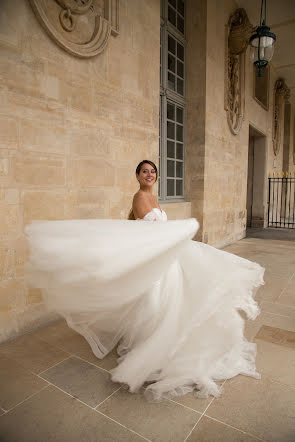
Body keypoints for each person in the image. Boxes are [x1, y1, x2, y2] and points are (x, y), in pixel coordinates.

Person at [25, 160, 264, 401]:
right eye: (144, 172)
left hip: (168, 258)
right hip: (159, 262)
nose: (149, 175)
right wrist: (183, 228)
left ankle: (165, 344)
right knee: (156, 305)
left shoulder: (153, 198)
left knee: (173, 303)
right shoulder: (140, 198)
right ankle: (155, 349)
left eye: (152, 172)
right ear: (137, 176)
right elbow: (152, 234)